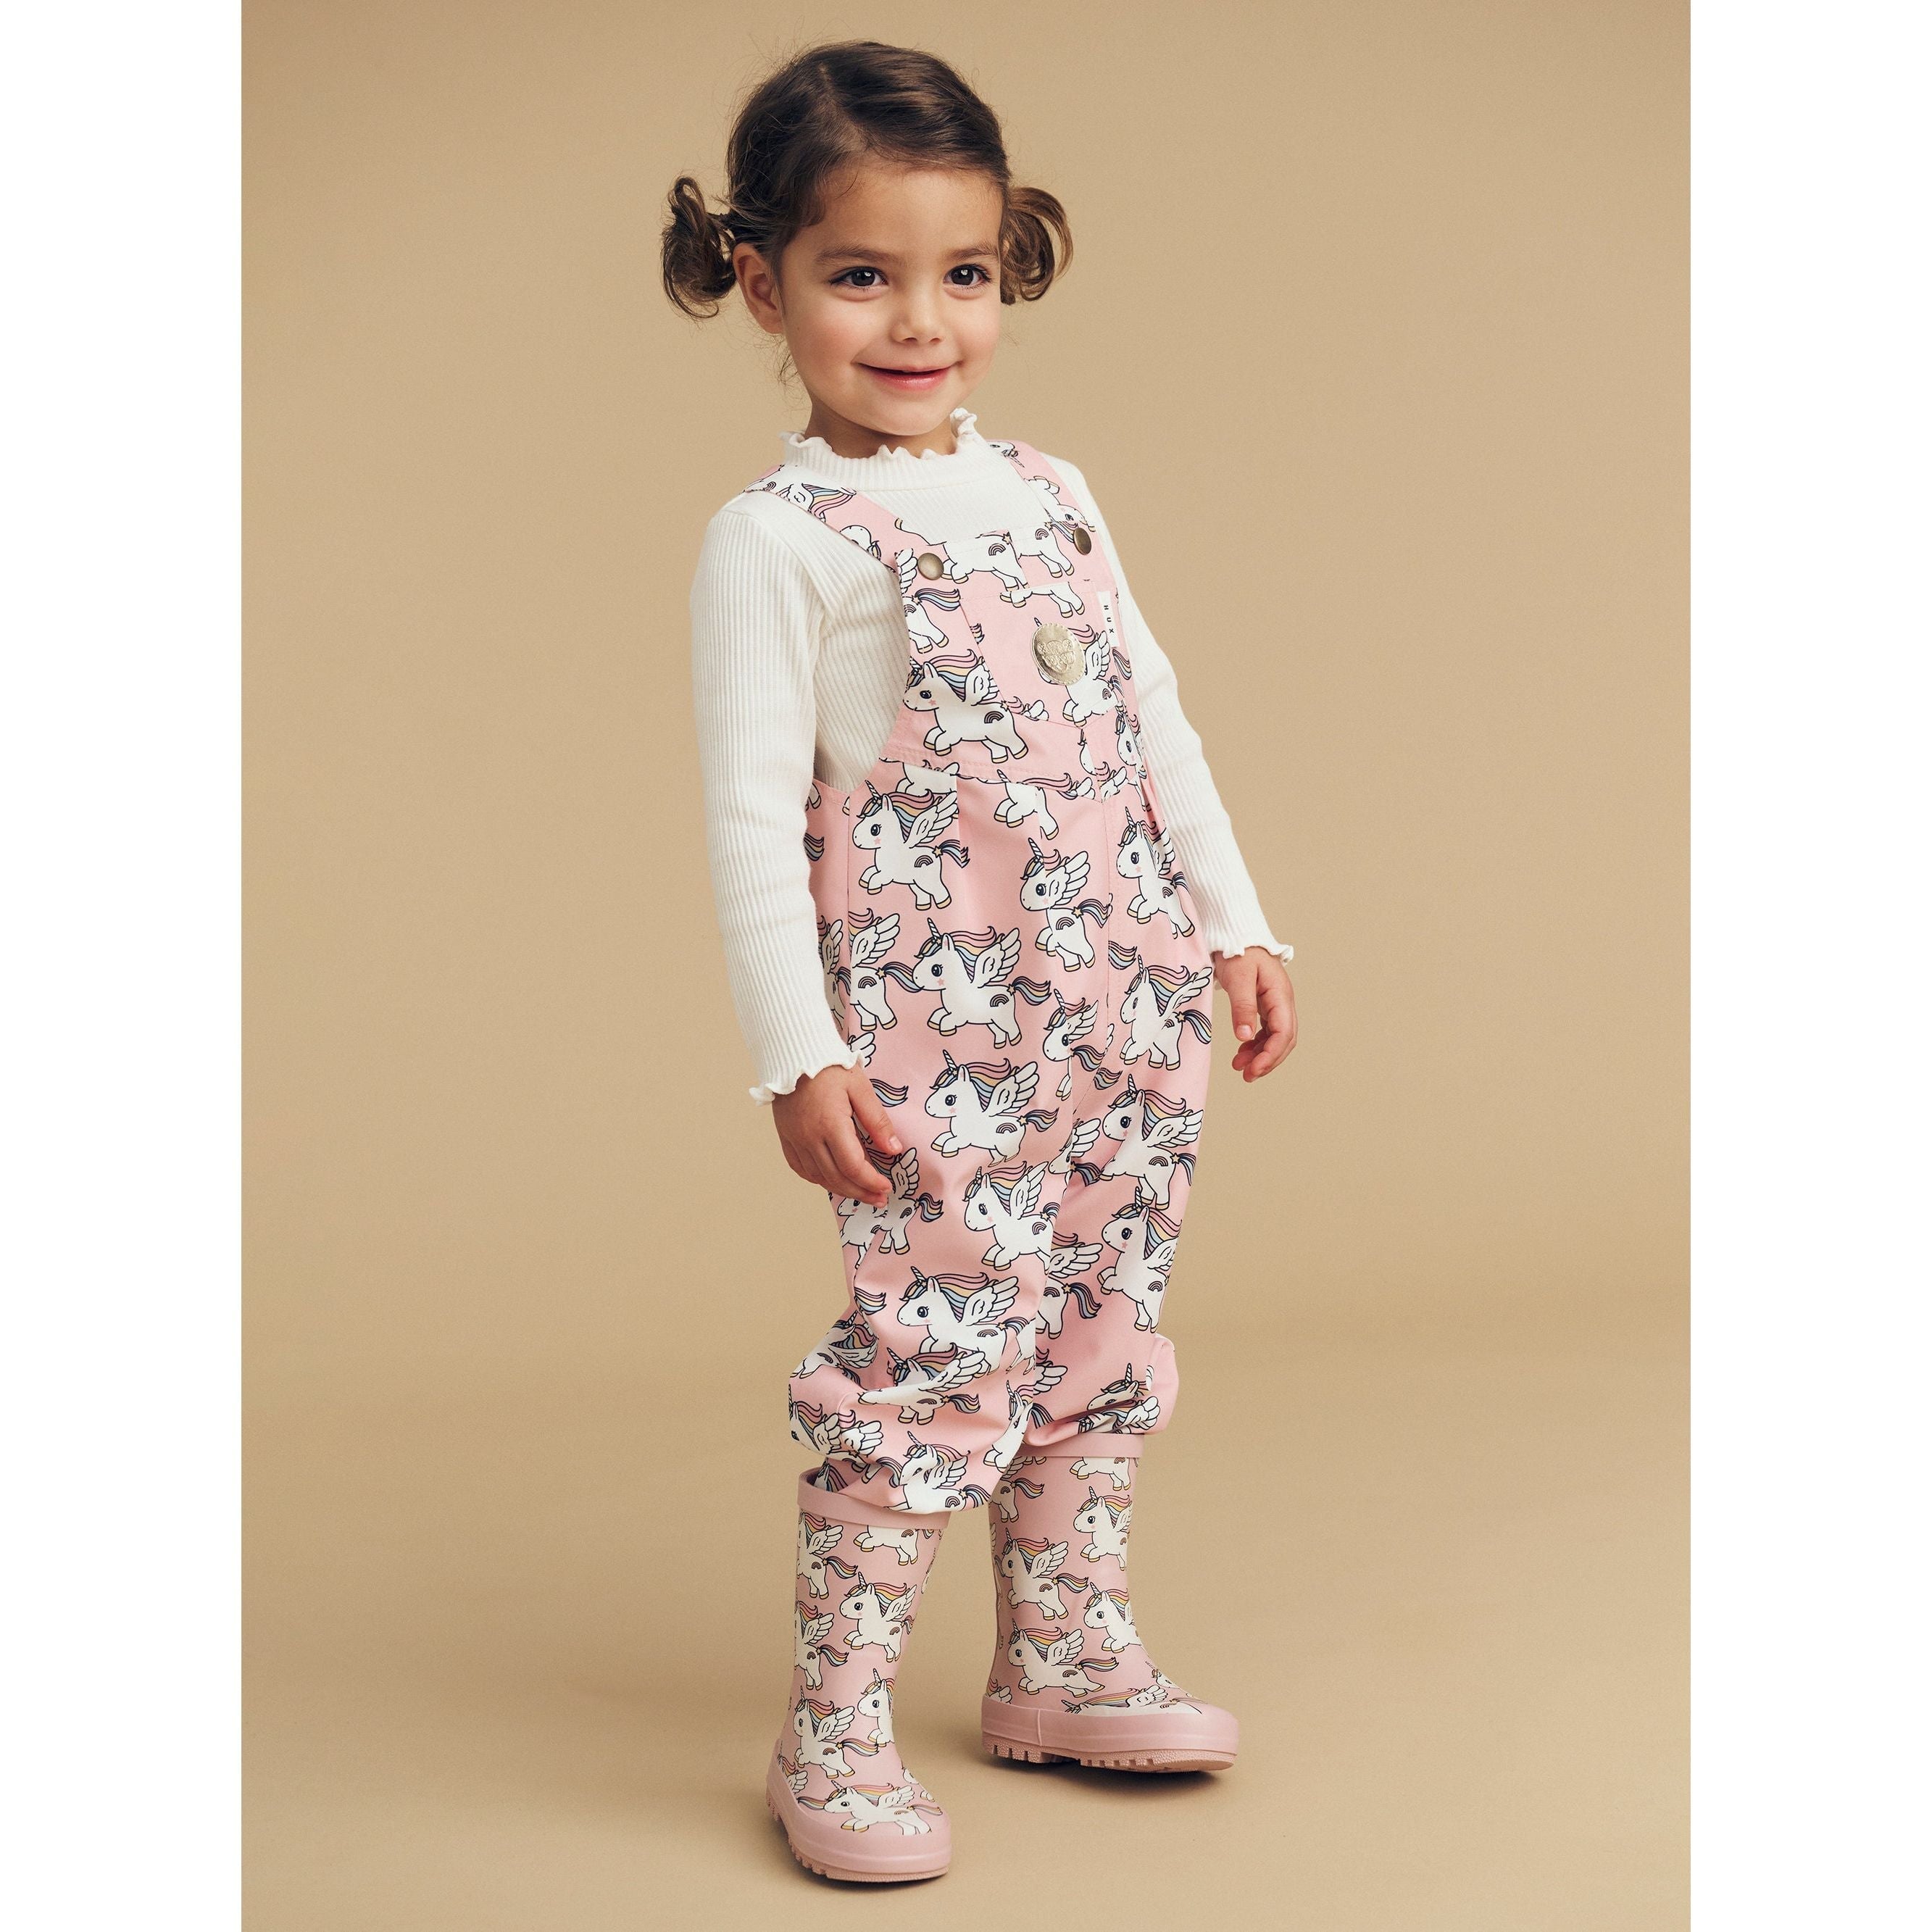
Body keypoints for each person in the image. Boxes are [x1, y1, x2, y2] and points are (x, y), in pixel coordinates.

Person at [665, 39, 1297, 1884]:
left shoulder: (1049, 487)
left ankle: (1061, 1654)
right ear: (762, 282)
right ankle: (835, 1722)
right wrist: (797, 1049)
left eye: (961, 273)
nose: (918, 321)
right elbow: (746, 818)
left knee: (1098, 1321)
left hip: (1128, 1006)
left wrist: (1236, 921)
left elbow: (1151, 716)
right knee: (932, 1348)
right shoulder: (779, 541)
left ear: (1010, 263)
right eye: (861, 275)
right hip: (935, 1038)